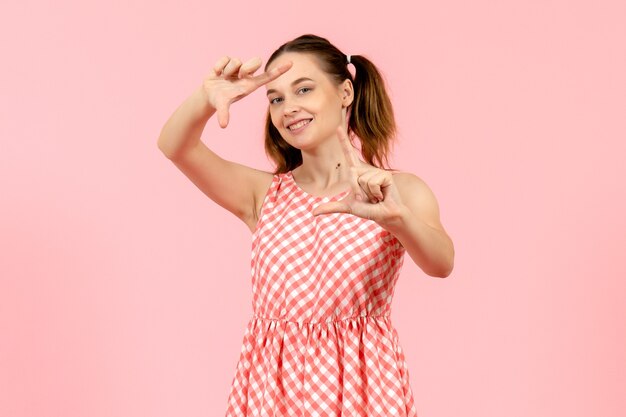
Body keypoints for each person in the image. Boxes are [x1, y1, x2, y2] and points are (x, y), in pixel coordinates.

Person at [157, 34, 454, 417]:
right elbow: (175, 146)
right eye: (276, 98)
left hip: (362, 387)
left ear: (345, 92)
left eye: (304, 89)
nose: (288, 108)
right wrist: (206, 96)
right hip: (271, 388)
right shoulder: (264, 194)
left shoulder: (396, 190)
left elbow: (441, 263)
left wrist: (399, 220)